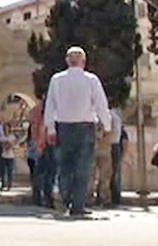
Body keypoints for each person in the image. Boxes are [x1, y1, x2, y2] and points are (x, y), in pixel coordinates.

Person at [43, 46, 110, 217]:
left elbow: (50, 105)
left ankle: (66, 199)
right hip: (85, 127)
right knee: (83, 168)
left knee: (64, 166)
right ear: (84, 61)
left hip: (63, 127)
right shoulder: (91, 79)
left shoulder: (56, 79)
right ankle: (78, 205)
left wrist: (50, 128)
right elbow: (101, 103)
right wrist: (107, 126)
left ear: (67, 60)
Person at [88, 115, 114, 208]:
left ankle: (102, 198)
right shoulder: (107, 118)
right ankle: (91, 198)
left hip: (102, 150)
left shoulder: (109, 118)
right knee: (92, 175)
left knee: (104, 176)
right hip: (98, 150)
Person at [109, 107, 125, 205]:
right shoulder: (115, 117)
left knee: (112, 173)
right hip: (114, 145)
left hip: (111, 145)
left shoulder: (110, 116)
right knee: (115, 173)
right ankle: (115, 197)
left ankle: (113, 196)